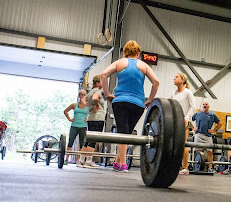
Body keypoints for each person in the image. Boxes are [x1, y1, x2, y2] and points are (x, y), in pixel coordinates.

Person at [101, 40, 160, 172]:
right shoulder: (143, 65)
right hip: (138, 104)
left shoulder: (119, 62)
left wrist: (107, 94)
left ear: (125, 51)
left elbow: (103, 75)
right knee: (126, 133)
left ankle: (122, 164)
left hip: (120, 101)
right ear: (138, 53)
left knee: (123, 132)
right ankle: (117, 163)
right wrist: (150, 99)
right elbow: (156, 82)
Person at [170, 73, 196, 175]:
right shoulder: (173, 93)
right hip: (175, 121)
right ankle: (173, 165)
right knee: (174, 144)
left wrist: (186, 118)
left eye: (176, 77)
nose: (174, 78)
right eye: (174, 77)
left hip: (185, 121)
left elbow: (193, 107)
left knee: (183, 144)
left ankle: (185, 168)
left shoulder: (188, 92)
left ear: (182, 80)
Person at [78, 75, 106, 169]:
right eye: (102, 81)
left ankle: (81, 160)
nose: (103, 83)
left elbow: (82, 100)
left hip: (91, 118)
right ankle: (89, 162)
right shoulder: (97, 91)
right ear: (98, 83)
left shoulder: (90, 92)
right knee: (93, 140)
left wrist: (90, 107)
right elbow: (95, 98)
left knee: (88, 139)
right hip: (98, 118)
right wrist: (96, 105)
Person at [192, 101, 221, 172]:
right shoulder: (197, 114)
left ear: (209, 106)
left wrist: (214, 130)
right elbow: (190, 120)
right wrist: (194, 127)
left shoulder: (212, 115)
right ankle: (197, 167)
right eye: (203, 104)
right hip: (199, 135)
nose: (205, 105)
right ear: (202, 106)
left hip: (208, 136)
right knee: (198, 151)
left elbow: (219, 123)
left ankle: (210, 167)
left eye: (206, 104)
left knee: (209, 152)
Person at [63, 89, 88, 164]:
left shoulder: (88, 106)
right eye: (81, 95)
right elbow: (65, 111)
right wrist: (70, 119)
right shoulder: (74, 105)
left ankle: (79, 160)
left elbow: (94, 112)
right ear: (79, 96)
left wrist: (88, 120)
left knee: (82, 143)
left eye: (84, 95)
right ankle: (66, 159)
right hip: (74, 125)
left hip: (83, 126)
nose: (82, 96)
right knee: (70, 142)